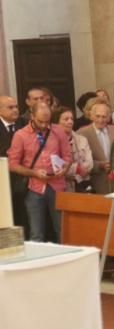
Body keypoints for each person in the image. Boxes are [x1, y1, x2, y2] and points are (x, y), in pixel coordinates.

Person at [7, 100, 72, 241]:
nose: (44, 125)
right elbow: (12, 164)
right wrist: (33, 173)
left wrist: (64, 168)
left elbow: (67, 155)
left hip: (57, 185)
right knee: (36, 231)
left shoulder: (58, 131)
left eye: (47, 122)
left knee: (62, 229)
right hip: (34, 187)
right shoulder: (21, 135)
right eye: (40, 122)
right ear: (32, 116)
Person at [78, 101, 114, 194]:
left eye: (104, 117)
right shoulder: (82, 133)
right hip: (95, 183)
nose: (100, 120)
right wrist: (99, 165)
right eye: (97, 116)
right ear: (91, 116)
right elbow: (80, 160)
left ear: (109, 118)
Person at [53, 106, 94, 193]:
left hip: (83, 185)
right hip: (63, 188)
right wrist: (77, 169)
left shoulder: (82, 139)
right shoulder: (51, 142)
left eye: (71, 119)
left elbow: (90, 163)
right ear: (57, 123)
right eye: (66, 119)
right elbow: (58, 166)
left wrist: (78, 174)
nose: (70, 121)